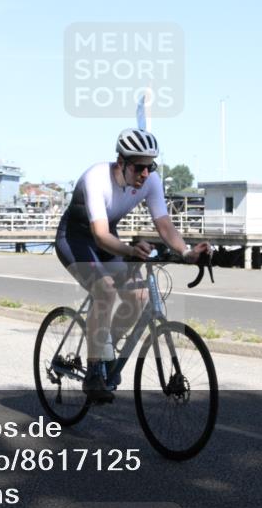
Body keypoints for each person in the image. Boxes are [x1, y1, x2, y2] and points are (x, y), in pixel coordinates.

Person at [55, 128, 210, 402]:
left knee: (139, 296)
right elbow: (100, 235)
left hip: (108, 239)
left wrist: (186, 252)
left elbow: (164, 224)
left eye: (151, 167)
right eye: (139, 167)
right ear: (121, 162)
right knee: (105, 290)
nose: (145, 174)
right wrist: (130, 250)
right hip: (76, 239)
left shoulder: (150, 181)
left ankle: (106, 349)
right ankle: (93, 372)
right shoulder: (96, 178)